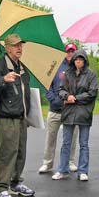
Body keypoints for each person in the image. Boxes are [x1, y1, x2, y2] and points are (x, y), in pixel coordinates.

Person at [0, 34, 35, 197]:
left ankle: (15, 182)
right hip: (6, 117)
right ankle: (1, 188)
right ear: (7, 48)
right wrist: (3, 80)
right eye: (15, 45)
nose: (19, 48)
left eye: (21, 44)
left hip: (21, 116)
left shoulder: (22, 67)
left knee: (21, 152)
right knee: (7, 152)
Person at [51, 49, 98, 181]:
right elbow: (61, 90)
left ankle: (83, 171)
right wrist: (67, 96)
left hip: (84, 113)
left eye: (81, 59)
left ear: (85, 61)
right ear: (73, 61)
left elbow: (92, 92)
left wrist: (75, 98)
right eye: (76, 59)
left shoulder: (91, 75)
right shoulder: (67, 74)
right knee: (66, 143)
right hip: (68, 113)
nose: (78, 61)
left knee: (83, 143)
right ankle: (62, 170)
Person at [38, 43, 79, 174]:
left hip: (72, 110)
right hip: (55, 109)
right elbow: (47, 86)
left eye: (73, 51)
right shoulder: (55, 66)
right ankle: (47, 163)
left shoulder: (79, 68)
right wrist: (56, 101)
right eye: (68, 51)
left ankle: (70, 161)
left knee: (72, 138)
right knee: (51, 137)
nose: (70, 54)